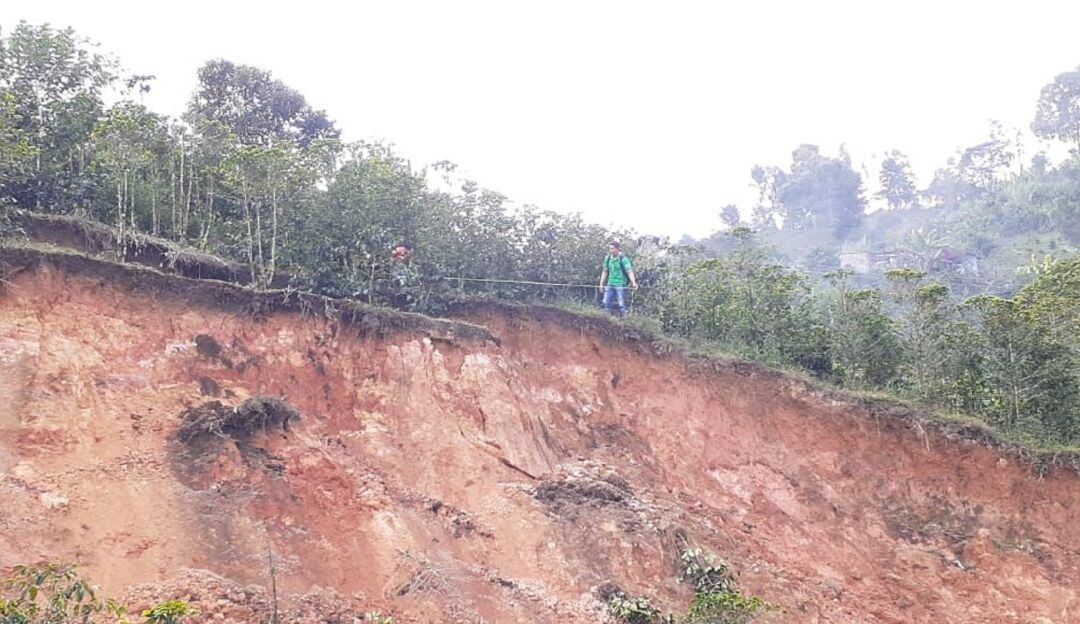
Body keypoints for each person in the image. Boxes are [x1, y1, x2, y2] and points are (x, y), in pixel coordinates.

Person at [598, 241, 638, 316]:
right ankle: (607, 320)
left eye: (612, 249)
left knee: (621, 305)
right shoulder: (608, 258)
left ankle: (625, 321)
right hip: (610, 283)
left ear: (618, 249)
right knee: (605, 303)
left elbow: (629, 271)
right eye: (610, 249)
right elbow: (605, 271)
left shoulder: (623, 259)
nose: (611, 250)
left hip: (621, 284)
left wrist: (633, 282)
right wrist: (601, 284)